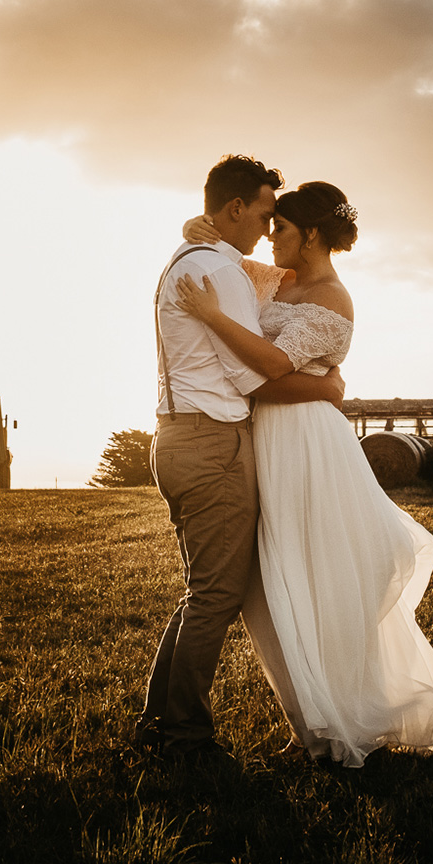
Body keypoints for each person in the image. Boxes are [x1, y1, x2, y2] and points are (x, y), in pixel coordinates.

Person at [172, 179, 433, 767]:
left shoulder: (333, 297)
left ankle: (343, 715)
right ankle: (312, 719)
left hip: (307, 445)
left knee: (312, 575)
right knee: (270, 587)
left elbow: (273, 365)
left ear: (309, 234)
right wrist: (192, 230)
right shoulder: (276, 280)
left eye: (278, 227)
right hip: (268, 439)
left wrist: (211, 316)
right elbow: (225, 250)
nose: (268, 236)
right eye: (267, 223)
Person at [135, 155, 347, 761]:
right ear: (234, 209)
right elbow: (250, 376)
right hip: (211, 443)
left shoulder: (195, 259)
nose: (265, 226)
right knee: (215, 597)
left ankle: (161, 725)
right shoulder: (219, 275)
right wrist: (327, 389)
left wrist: (195, 229)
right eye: (261, 214)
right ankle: (185, 739)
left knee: (205, 592)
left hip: (178, 437)